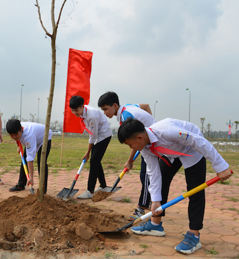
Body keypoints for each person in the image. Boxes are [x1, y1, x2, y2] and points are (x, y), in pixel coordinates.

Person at [118, 118, 232, 255]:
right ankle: (155, 225)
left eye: (130, 145)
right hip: (170, 152)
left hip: (191, 149)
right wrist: (155, 201)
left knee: (195, 191)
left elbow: (199, 142)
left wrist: (220, 166)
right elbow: (153, 174)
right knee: (161, 181)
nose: (132, 149)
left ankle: (194, 235)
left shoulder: (168, 132)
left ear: (139, 137)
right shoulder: (145, 147)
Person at [98, 91, 156, 219]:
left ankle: (141, 209)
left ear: (115, 105)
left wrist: (130, 160)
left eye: (106, 109)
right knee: (147, 177)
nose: (105, 113)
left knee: (146, 177)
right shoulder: (128, 106)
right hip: (146, 141)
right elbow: (146, 106)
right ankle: (153, 200)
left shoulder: (126, 117)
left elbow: (134, 142)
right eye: (103, 110)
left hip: (152, 143)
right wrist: (151, 126)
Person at [69, 95, 112, 199]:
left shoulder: (91, 116)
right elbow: (92, 134)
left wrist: (87, 152)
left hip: (104, 135)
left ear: (82, 106)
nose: (75, 113)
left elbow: (93, 136)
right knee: (95, 160)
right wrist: (89, 152)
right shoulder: (84, 113)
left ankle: (90, 190)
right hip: (98, 136)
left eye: (77, 110)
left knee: (94, 161)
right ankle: (103, 186)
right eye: (73, 110)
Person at [6, 119, 52, 194]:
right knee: (24, 159)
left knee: (41, 162)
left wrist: (31, 178)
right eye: (11, 135)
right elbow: (19, 138)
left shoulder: (28, 135)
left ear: (20, 130)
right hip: (34, 137)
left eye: (15, 135)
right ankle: (21, 185)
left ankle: (43, 190)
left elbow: (30, 159)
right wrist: (19, 146)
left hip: (44, 138)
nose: (13, 137)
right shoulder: (17, 129)